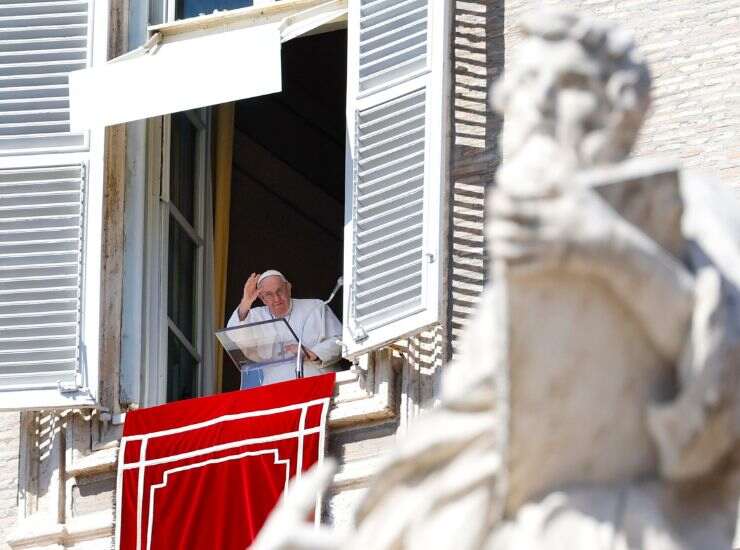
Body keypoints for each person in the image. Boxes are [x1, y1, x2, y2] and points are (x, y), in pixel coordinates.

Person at [226, 270, 342, 385]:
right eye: (269, 295)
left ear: (288, 288)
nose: (276, 299)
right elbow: (233, 335)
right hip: (275, 389)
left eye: (280, 291)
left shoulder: (315, 307)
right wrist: (246, 301)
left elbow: (340, 340)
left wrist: (312, 354)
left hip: (318, 382)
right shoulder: (254, 316)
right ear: (262, 298)